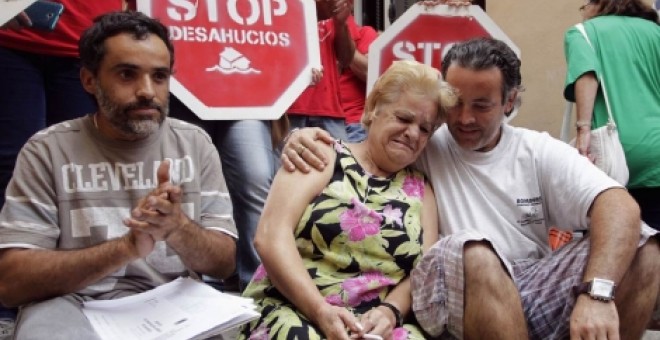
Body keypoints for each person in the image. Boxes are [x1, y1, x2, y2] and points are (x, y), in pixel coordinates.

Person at [281, 37, 660, 339]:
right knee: (475, 249)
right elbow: (371, 144)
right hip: (450, 285)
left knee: (647, 248)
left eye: (482, 106)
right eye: (457, 103)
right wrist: (304, 137)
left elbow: (619, 205)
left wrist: (598, 293)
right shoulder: (425, 140)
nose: (464, 118)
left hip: (527, 283)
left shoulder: (536, 150)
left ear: (510, 101)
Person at [0, 11, 237, 339]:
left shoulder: (194, 144)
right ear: (88, 80)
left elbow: (224, 264)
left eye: (159, 76)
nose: (147, 91)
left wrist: (177, 227)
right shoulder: (47, 150)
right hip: (72, 304)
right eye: (127, 74)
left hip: (173, 303)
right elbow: (11, 284)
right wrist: (126, 247)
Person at [240, 60, 456, 340]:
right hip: (293, 306)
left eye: (424, 129)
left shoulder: (421, 189)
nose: (413, 132)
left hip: (376, 325)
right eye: (403, 118)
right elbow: (270, 236)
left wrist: (391, 311)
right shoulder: (321, 154)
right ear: (373, 109)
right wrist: (321, 311)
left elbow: (422, 271)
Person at [564, 0, 660, 231]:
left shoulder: (583, 33)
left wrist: (583, 130)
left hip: (615, 152)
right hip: (656, 151)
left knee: (617, 239)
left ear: (598, 4)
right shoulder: (656, 32)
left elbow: (587, 75)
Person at [285, 0, 355, 140]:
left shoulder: (335, 10)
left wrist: (341, 24)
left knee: (342, 161)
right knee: (287, 160)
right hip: (289, 107)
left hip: (329, 108)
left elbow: (346, 59)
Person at [341, 13, 378, 143]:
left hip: (354, 125)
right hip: (310, 121)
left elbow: (371, 73)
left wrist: (341, 38)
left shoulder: (365, 33)